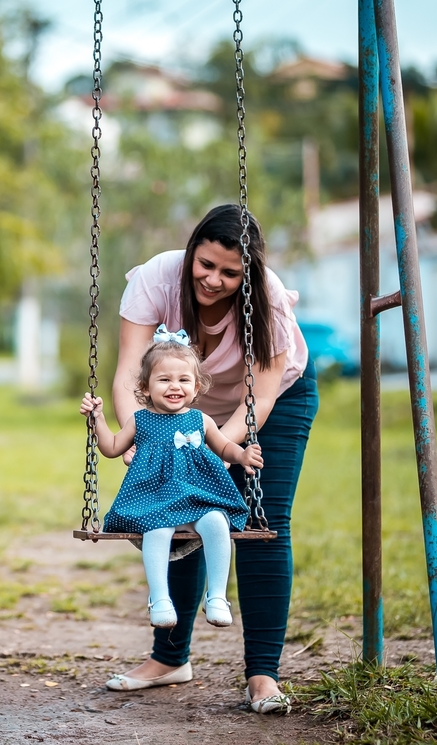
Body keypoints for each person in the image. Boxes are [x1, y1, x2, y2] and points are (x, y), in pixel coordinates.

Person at [102, 204, 318, 715]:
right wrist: (142, 437)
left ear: (249, 273)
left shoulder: (267, 299)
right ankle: (170, 659)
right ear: (191, 251)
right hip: (174, 406)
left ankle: (263, 675)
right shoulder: (157, 277)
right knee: (174, 513)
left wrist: (214, 448)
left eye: (230, 272)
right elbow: (128, 374)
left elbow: (259, 400)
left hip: (271, 405)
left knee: (265, 522)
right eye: (205, 264)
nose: (213, 280)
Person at [79, 327, 265, 629]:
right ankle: (160, 598)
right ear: (145, 386)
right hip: (155, 502)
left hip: (198, 500)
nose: (174, 386)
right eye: (164, 379)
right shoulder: (139, 420)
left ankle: (217, 596)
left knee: (218, 522)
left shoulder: (201, 420)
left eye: (183, 380)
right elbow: (112, 448)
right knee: (157, 530)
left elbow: (224, 446)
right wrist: (97, 420)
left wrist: (242, 455)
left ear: (196, 386)